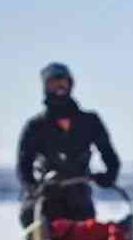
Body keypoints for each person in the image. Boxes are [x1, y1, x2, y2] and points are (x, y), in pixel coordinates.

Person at [17, 62, 120, 229]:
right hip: (46, 201)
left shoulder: (90, 121)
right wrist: (33, 187)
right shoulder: (35, 126)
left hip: (80, 200)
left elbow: (110, 157)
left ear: (71, 84)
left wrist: (108, 176)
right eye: (53, 83)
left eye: (63, 82)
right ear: (45, 86)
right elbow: (23, 165)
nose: (59, 87)